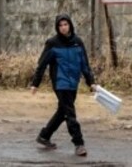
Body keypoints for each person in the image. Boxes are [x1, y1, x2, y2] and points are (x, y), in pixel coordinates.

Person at [30, 13, 98, 157]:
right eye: (60, 25)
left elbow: (84, 64)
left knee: (63, 111)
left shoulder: (78, 42)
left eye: (65, 24)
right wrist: (35, 83)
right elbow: (42, 64)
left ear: (70, 25)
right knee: (70, 113)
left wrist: (91, 81)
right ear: (57, 27)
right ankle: (79, 144)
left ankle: (44, 136)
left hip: (73, 83)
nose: (63, 27)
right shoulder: (52, 43)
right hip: (60, 83)